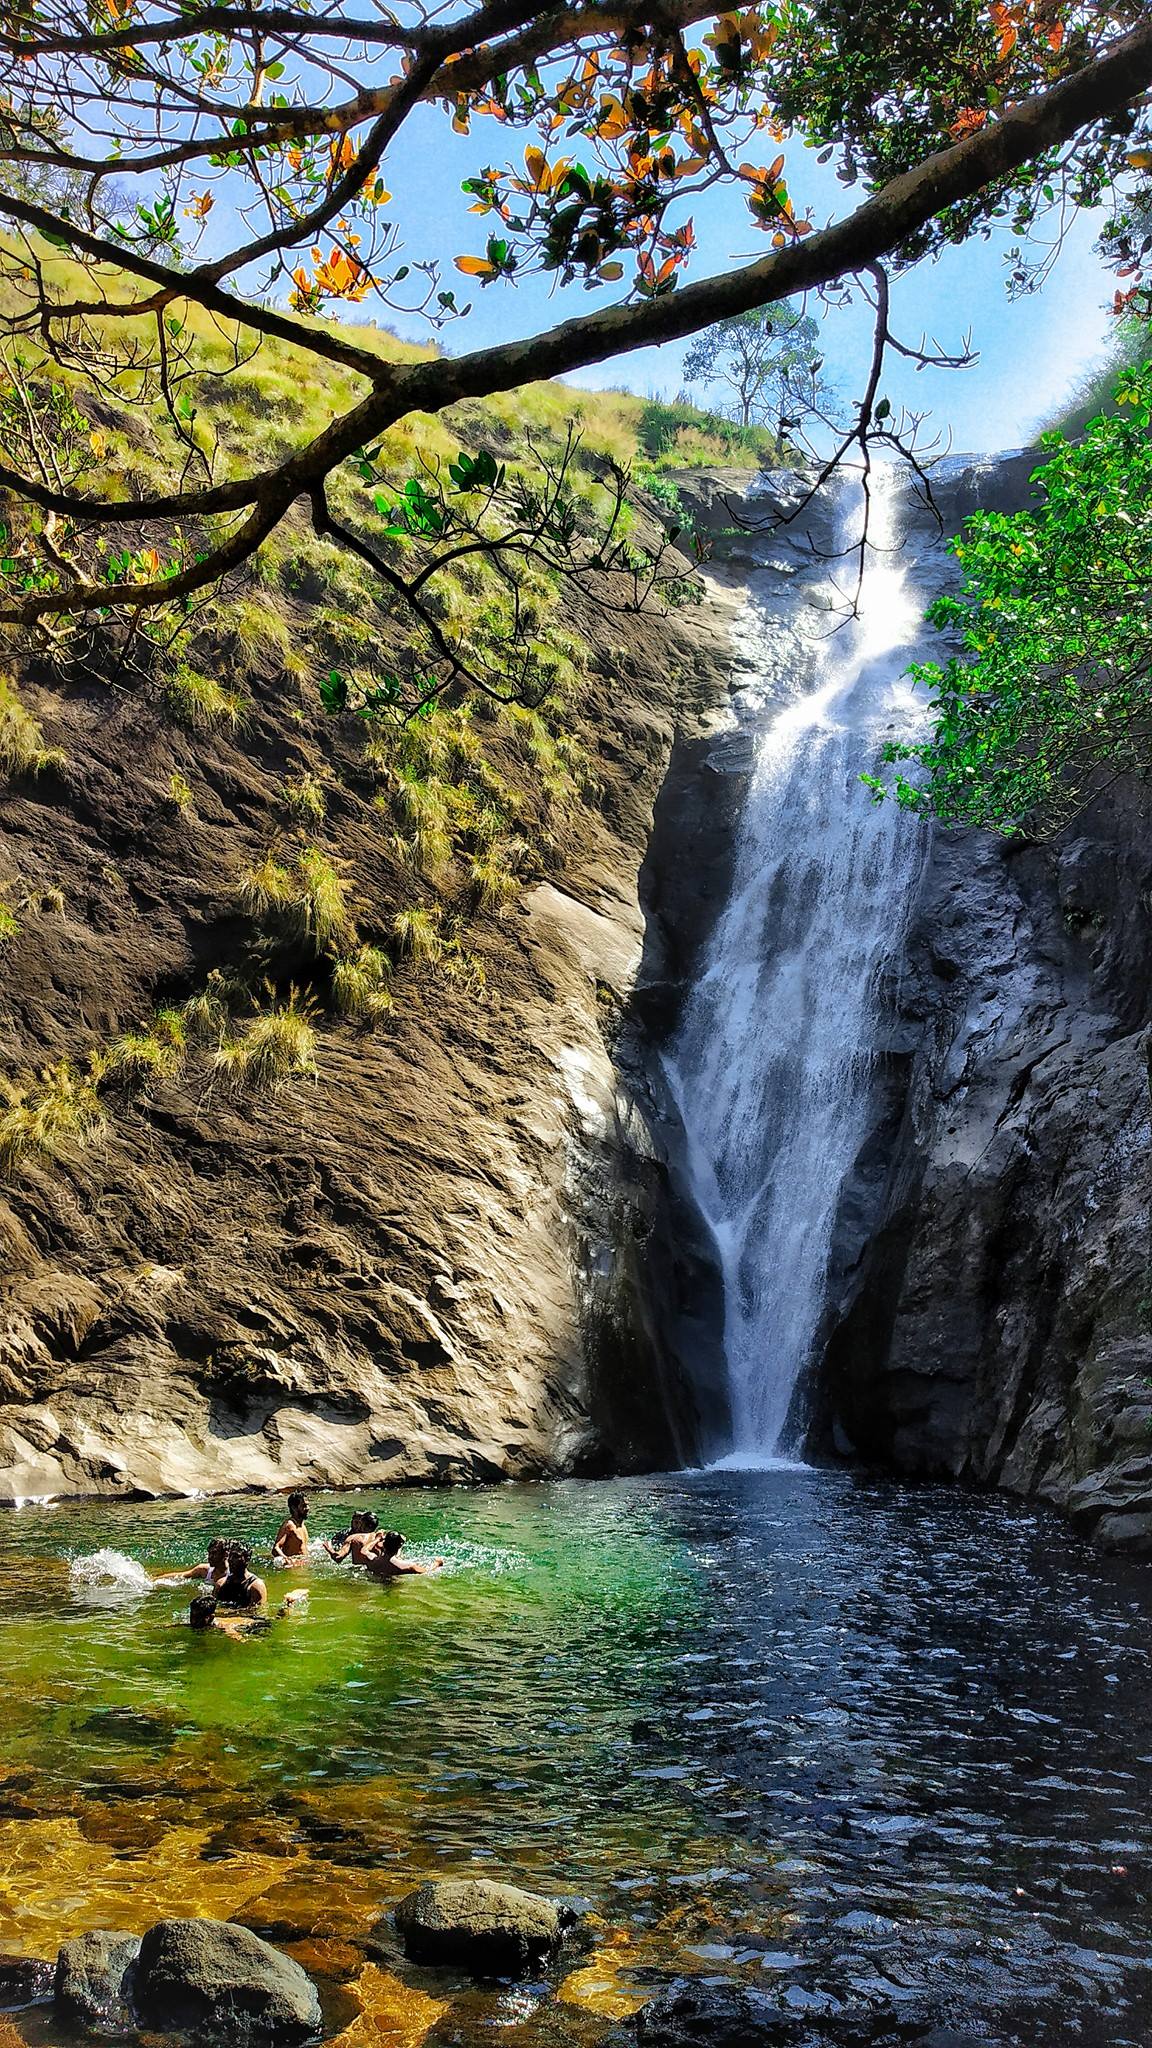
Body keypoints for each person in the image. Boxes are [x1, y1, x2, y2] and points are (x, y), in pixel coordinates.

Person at [188, 1588, 305, 1639]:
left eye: (197, 1618)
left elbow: (236, 1636)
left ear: (210, 1617)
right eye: (192, 1616)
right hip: (244, 1619)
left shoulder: (222, 1626)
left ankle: (289, 1602)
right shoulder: (199, 1622)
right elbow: (181, 1624)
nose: (193, 1621)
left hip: (255, 1624)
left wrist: (246, 1642)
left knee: (278, 1620)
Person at [364, 1530, 444, 1580]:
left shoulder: (372, 1559)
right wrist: (437, 1563)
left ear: (383, 1545)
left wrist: (377, 1539)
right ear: (399, 1546)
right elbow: (427, 1572)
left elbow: (364, 1550)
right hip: (397, 1587)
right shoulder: (407, 1566)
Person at [155, 1537, 228, 1588]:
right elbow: (180, 1576)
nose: (210, 1557)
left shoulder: (232, 1573)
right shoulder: (204, 1570)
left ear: (225, 1555)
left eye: (214, 1553)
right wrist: (155, 1579)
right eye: (209, 1553)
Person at [215, 1540, 267, 1611]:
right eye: (230, 1556)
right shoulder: (220, 1584)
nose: (231, 1560)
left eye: (236, 1556)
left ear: (247, 1559)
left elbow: (256, 1614)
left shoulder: (255, 1587)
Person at [271, 1492, 310, 1568]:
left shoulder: (302, 1525)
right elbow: (276, 1548)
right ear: (294, 1508)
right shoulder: (289, 1525)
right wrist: (286, 1559)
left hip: (303, 1565)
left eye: (308, 1505)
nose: (308, 1508)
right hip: (293, 1568)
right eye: (304, 1506)